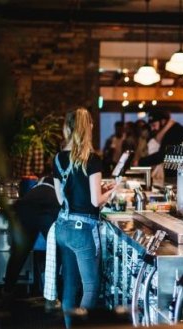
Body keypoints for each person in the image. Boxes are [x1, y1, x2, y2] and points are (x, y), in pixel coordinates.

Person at [53, 108, 116, 327]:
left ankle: (71, 326)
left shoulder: (59, 159)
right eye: (90, 123)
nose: (92, 126)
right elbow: (95, 201)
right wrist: (110, 192)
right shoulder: (92, 159)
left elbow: (61, 199)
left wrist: (99, 190)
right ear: (85, 127)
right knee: (91, 287)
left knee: (70, 284)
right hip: (82, 230)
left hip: (63, 226)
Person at [2, 175, 60, 302]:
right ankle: (55, 294)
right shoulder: (55, 190)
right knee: (55, 251)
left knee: (19, 253)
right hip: (49, 211)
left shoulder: (34, 190)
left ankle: (7, 290)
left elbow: (19, 206)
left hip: (26, 210)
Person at [137, 110, 183, 183]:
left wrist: (140, 162)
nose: (152, 129)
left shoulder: (174, 132)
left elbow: (163, 155)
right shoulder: (172, 129)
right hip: (181, 176)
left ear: (163, 122)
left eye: (154, 125)